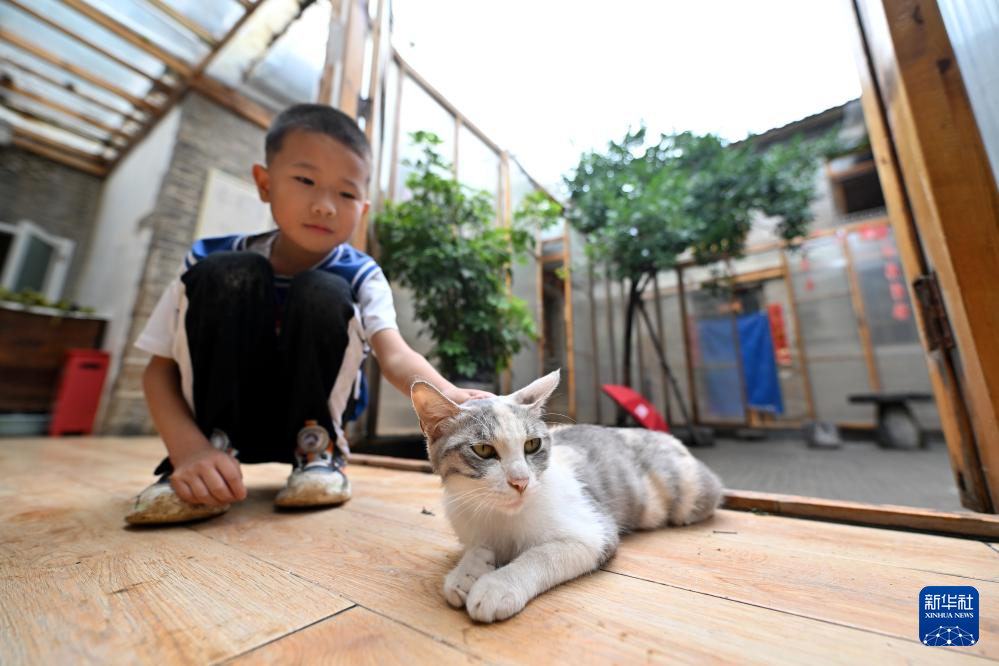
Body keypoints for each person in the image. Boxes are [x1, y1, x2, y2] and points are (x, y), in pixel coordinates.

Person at [125, 104, 491, 525]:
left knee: (324, 288)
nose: (325, 206)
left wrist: (449, 395)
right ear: (265, 183)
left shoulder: (361, 273)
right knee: (229, 272)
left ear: (363, 209)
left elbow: (394, 354)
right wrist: (187, 448)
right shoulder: (205, 257)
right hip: (218, 422)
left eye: (346, 194)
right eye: (305, 180)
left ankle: (318, 452)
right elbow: (159, 370)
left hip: (311, 418)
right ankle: (208, 456)